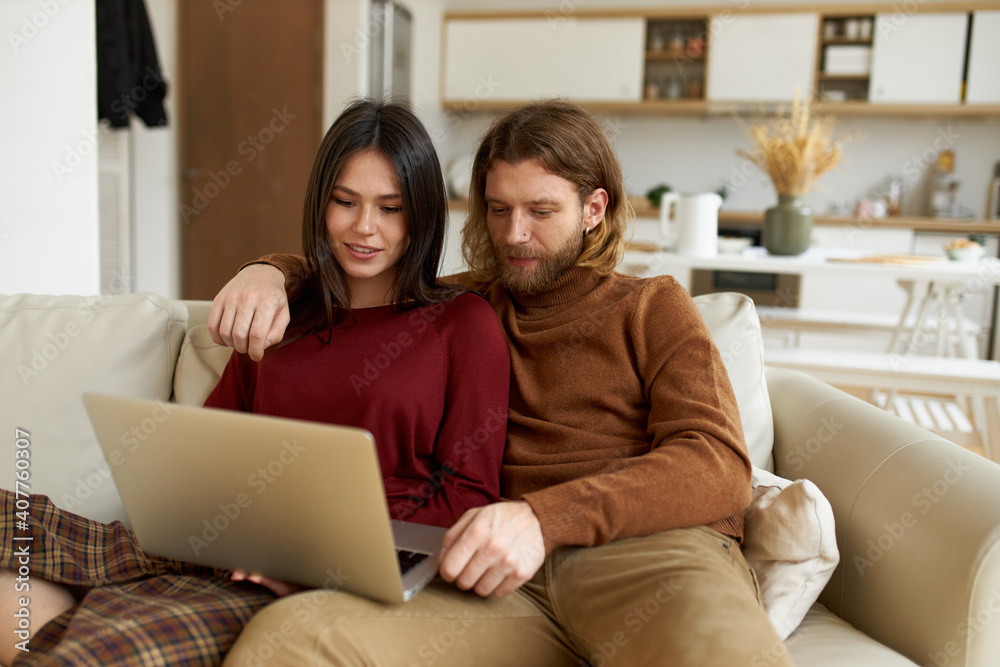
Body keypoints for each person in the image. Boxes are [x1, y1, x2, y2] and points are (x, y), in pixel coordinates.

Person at [211, 100, 793, 667]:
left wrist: (542, 519)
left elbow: (717, 465)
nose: (514, 235)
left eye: (540, 211)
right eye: (497, 210)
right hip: (497, 581)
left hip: (642, 555)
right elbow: (368, 268)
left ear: (593, 208)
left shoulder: (651, 307)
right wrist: (268, 272)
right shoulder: (464, 304)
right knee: (291, 641)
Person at [0, 99, 509, 666]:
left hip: (322, 576)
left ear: (421, 216)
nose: (365, 227)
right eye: (345, 202)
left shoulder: (463, 326)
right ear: (321, 204)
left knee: (89, 654)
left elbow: (469, 493)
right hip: (221, 544)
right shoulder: (279, 310)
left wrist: (319, 559)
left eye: (390, 208)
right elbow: (207, 443)